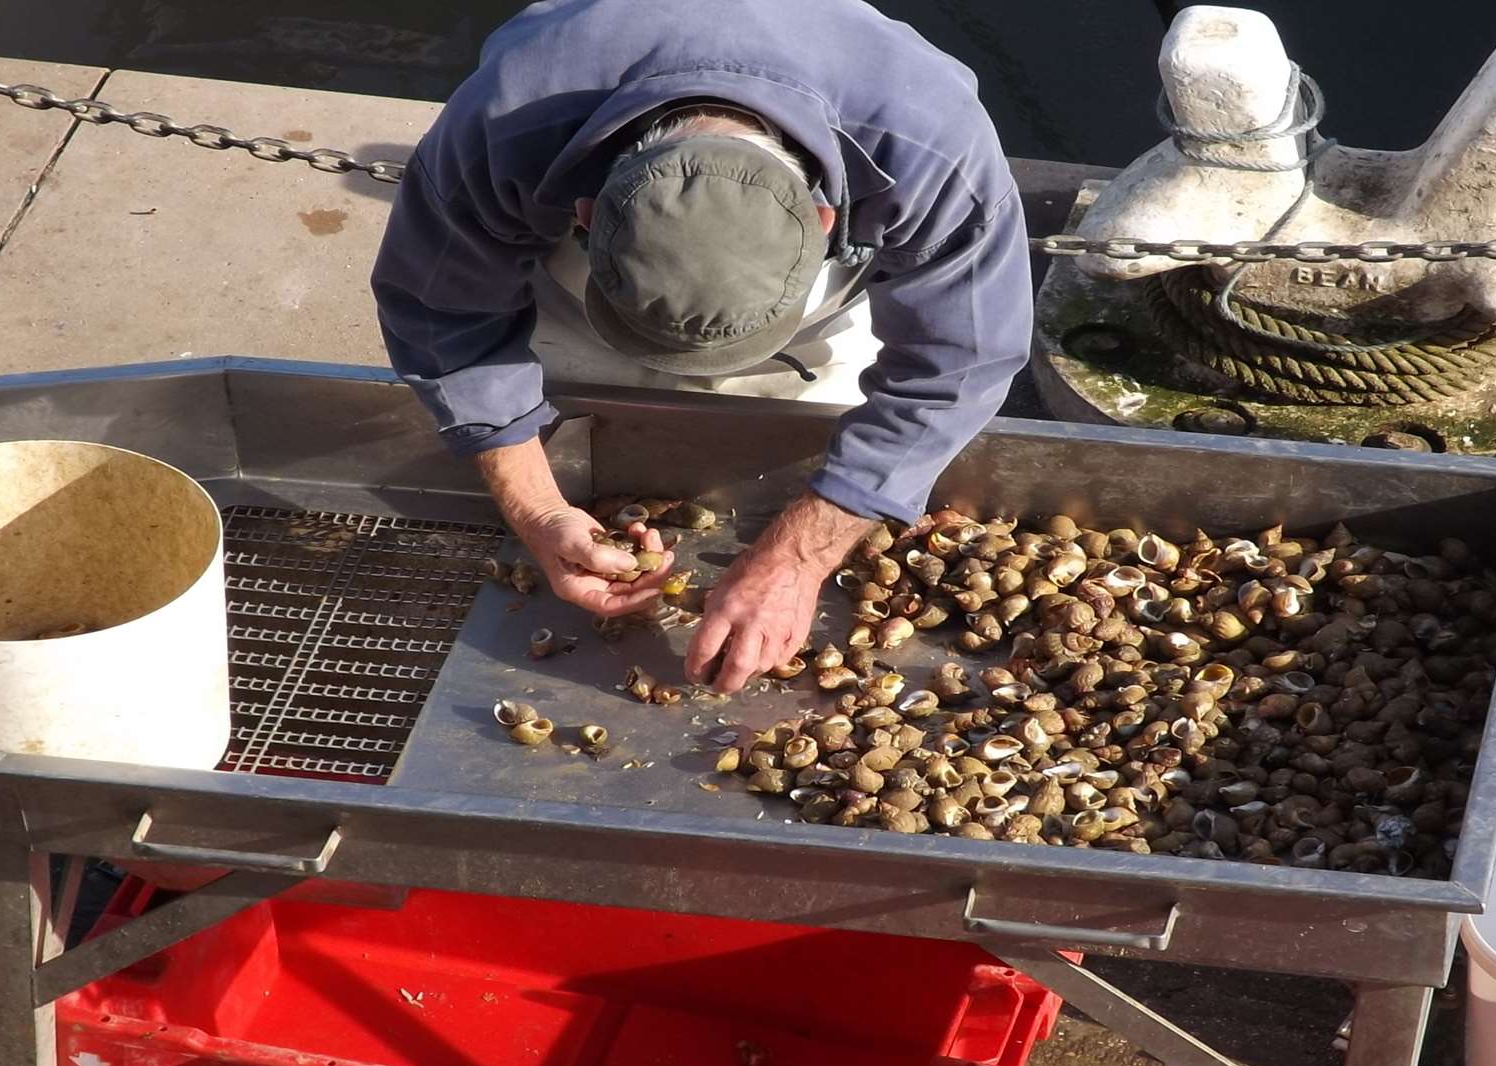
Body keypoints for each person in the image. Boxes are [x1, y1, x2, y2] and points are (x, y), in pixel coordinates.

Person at [371, 0, 1032, 694]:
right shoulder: (503, 124)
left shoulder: (933, 152)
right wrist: (537, 506)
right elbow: (442, 311)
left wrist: (801, 556)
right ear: (588, 211)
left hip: (821, 301)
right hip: (572, 258)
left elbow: (959, 362)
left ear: (826, 217)